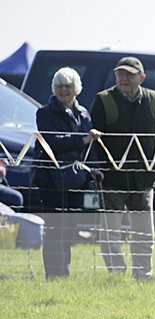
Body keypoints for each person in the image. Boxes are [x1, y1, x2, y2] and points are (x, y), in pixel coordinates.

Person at [90, 56, 155, 280]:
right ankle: (116, 273)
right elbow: (94, 141)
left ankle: (143, 275)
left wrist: (153, 170)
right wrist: (100, 170)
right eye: (120, 74)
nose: (124, 78)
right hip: (111, 180)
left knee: (145, 233)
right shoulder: (103, 100)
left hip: (143, 181)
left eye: (129, 74)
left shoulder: (154, 100)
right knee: (110, 234)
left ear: (141, 78)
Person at [33, 67, 103, 278]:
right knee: (55, 230)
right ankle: (53, 276)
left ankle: (63, 275)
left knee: (69, 231)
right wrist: (82, 139)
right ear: (54, 89)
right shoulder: (44, 113)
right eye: (60, 86)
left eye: (68, 86)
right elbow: (52, 143)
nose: (64, 90)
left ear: (77, 88)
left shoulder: (83, 113)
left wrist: (95, 168)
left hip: (77, 180)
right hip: (51, 182)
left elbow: (90, 147)